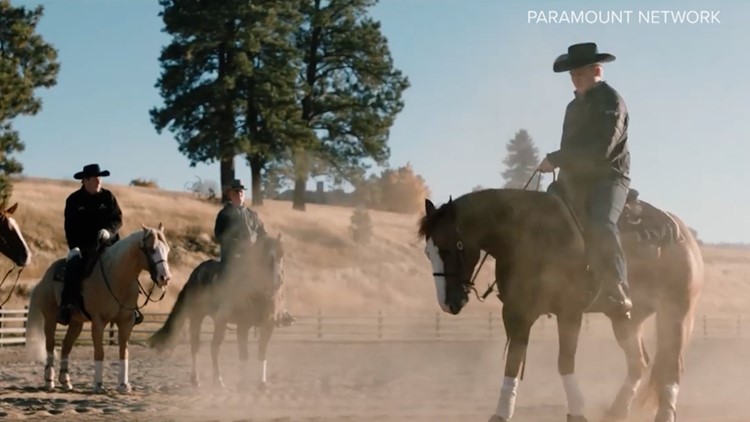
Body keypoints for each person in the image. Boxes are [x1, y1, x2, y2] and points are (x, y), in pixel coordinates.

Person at [538, 42, 633, 316]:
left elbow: (601, 150)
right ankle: (550, 283)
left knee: (602, 223)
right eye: (572, 75)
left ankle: (617, 288)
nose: (576, 79)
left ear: (597, 70)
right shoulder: (572, 108)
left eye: (580, 73)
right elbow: (570, 147)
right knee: (543, 217)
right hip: (576, 179)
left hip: (610, 177)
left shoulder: (612, 103)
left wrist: (556, 159)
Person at [214, 179, 295, 327]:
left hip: (251, 257)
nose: (239, 194)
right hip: (232, 256)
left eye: (241, 192)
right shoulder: (224, 214)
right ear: (230, 195)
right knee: (233, 276)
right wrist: (235, 242)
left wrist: (272, 242)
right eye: (236, 192)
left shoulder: (253, 215)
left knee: (274, 275)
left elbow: (262, 233)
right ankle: (225, 310)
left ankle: (279, 311)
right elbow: (218, 234)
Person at [57, 164, 125, 325]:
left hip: (110, 244)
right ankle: (67, 305)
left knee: (128, 262)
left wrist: (109, 231)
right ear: (85, 180)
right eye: (96, 178)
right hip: (85, 247)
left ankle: (131, 306)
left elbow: (117, 219)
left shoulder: (108, 197)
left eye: (100, 178)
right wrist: (74, 247)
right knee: (73, 266)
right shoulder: (73, 200)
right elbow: (70, 227)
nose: (99, 181)